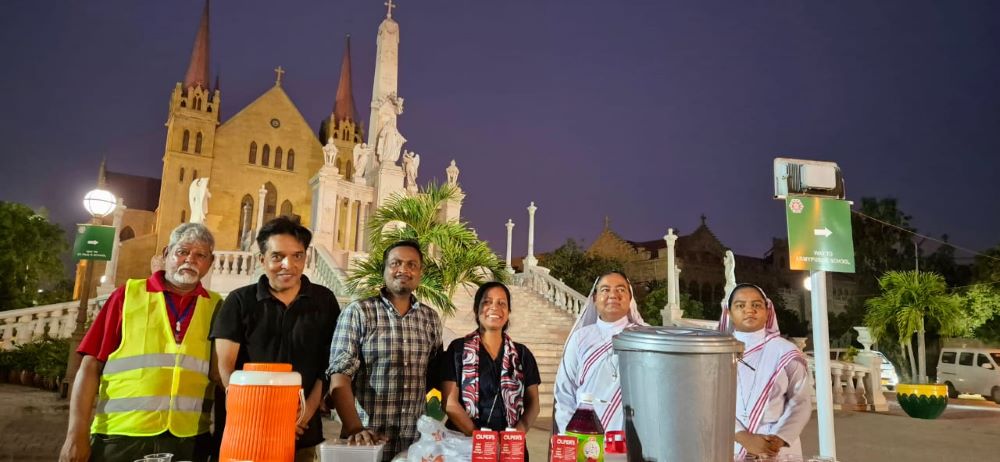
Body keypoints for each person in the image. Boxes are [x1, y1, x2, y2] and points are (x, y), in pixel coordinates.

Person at [59, 223, 221, 462]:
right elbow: (90, 366)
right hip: (121, 436)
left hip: (189, 438)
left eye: (200, 255)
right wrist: (75, 436)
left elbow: (222, 376)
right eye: (182, 252)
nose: (190, 260)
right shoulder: (128, 295)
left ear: (210, 262)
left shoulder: (217, 306)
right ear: (166, 254)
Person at [210, 217, 340, 462]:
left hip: (303, 433)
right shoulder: (239, 302)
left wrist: (306, 413)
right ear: (262, 259)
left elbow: (328, 365)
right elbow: (224, 370)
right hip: (247, 433)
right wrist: (268, 421)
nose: (287, 265)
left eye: (297, 256)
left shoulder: (324, 301)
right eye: (277, 256)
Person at [327, 240, 443, 461]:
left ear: (420, 272)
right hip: (367, 443)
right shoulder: (359, 313)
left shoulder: (430, 318)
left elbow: (435, 378)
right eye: (396, 263)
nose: (404, 270)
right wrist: (354, 428)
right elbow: (339, 377)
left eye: (412, 264)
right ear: (384, 270)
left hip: (413, 447)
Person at [719, 284, 811, 460]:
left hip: (776, 447)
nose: (749, 311)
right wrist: (742, 436)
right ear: (729, 313)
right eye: (740, 305)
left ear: (767, 311)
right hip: (731, 441)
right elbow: (708, 402)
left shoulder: (785, 351)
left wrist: (777, 440)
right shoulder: (715, 352)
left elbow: (801, 401)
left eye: (756, 305)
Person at [440, 282, 541, 437]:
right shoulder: (458, 350)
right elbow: (450, 403)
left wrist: (516, 434)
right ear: (476, 309)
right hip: (465, 444)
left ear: (508, 312)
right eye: (487, 302)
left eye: (502, 303)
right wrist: (482, 439)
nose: (495, 307)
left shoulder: (521, 354)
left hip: (510, 448)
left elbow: (533, 403)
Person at [553, 271, 646, 434]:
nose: (613, 295)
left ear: (630, 299)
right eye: (605, 289)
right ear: (594, 299)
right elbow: (565, 392)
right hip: (585, 437)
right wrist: (570, 436)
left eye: (621, 289)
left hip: (636, 438)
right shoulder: (580, 338)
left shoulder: (646, 338)